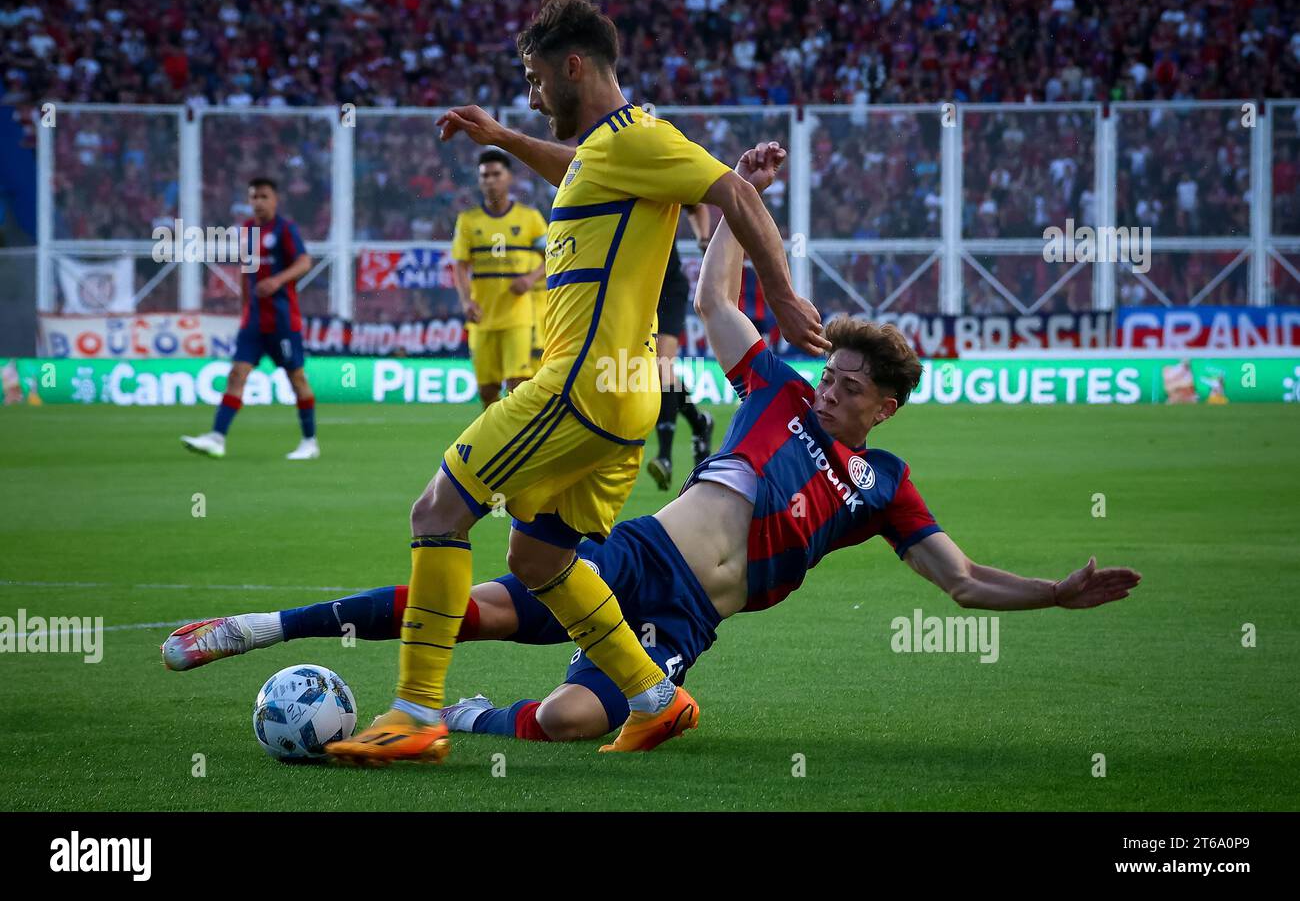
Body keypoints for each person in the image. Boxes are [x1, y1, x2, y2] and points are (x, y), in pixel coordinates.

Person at [164, 142, 1140, 747]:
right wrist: (729, 207)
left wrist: (1053, 591)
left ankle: (461, 717)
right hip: (636, 552)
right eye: (831, 371)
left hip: (688, 622)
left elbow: (962, 580)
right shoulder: (776, 388)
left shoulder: (885, 485)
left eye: (850, 384)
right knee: (480, 610)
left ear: (883, 405)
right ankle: (262, 625)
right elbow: (717, 301)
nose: (832, 385)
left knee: (573, 720)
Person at [323, 0, 828, 764]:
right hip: (623, 402)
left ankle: (416, 711)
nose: (531, 93)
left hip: (578, 388)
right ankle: (655, 699)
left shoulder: (638, 134)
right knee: (539, 560)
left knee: (437, 511)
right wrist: (503, 134)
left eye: (534, 78)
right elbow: (581, 165)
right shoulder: (616, 148)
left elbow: (729, 192)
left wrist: (785, 298)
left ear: (575, 65)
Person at [181, 177, 319, 460]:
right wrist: (245, 307)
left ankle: (309, 442)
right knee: (237, 374)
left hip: (282, 321)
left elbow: (304, 262)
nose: (257, 202)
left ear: (275, 200)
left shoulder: (285, 229)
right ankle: (217, 438)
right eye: (253, 197)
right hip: (254, 321)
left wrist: (278, 280)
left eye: (263, 196)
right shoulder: (246, 231)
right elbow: (247, 271)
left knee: (296, 379)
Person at [450, 150, 548, 407]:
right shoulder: (468, 221)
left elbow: (553, 255)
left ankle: (518, 443)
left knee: (518, 385)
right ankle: (492, 442)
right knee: (487, 390)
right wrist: (465, 302)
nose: (490, 181)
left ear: (509, 178)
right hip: (482, 316)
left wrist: (530, 278)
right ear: (479, 181)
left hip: (518, 316)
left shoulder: (530, 218)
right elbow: (460, 266)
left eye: (496, 174)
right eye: (485, 176)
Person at [647, 204, 716, 490]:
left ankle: (664, 456)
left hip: (667, 286)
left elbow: (696, 205)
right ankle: (700, 423)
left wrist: (703, 238)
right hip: (633, 288)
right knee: (652, 372)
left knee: (662, 367)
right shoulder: (612, 173)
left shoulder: (663, 172)